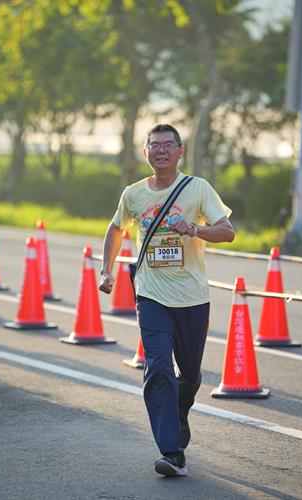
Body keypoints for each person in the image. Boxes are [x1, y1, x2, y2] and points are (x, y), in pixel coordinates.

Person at [99, 123, 235, 477]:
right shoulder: (133, 194)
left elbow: (228, 231)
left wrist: (195, 229)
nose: (160, 150)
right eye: (154, 145)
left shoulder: (197, 189)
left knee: (189, 375)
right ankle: (171, 452)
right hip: (151, 294)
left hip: (192, 297)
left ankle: (180, 411)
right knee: (158, 367)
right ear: (145, 153)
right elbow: (116, 228)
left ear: (180, 151)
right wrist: (106, 270)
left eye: (168, 145)